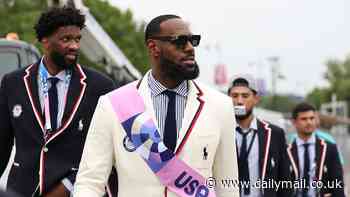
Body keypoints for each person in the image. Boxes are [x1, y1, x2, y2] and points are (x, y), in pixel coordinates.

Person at [73, 14, 239, 197]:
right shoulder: (113, 104)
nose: (190, 48)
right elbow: (89, 181)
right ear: (153, 47)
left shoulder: (220, 106)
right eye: (180, 41)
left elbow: (228, 186)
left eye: (193, 41)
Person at [0, 7, 116, 197]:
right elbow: (2, 145)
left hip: (77, 190)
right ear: (45, 41)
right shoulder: (13, 82)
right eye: (66, 39)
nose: (74, 46)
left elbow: (107, 151)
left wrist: (69, 185)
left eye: (77, 39)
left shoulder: (100, 86)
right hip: (22, 190)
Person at [227, 75, 292, 197]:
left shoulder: (275, 134)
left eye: (245, 96)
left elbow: (285, 180)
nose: (239, 101)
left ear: (256, 99)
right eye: (234, 96)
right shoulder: (219, 131)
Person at [288, 102, 345, 197]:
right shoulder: (286, 151)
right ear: (294, 122)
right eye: (304, 119)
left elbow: (338, 182)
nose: (309, 122)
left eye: (312, 118)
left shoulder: (329, 148)